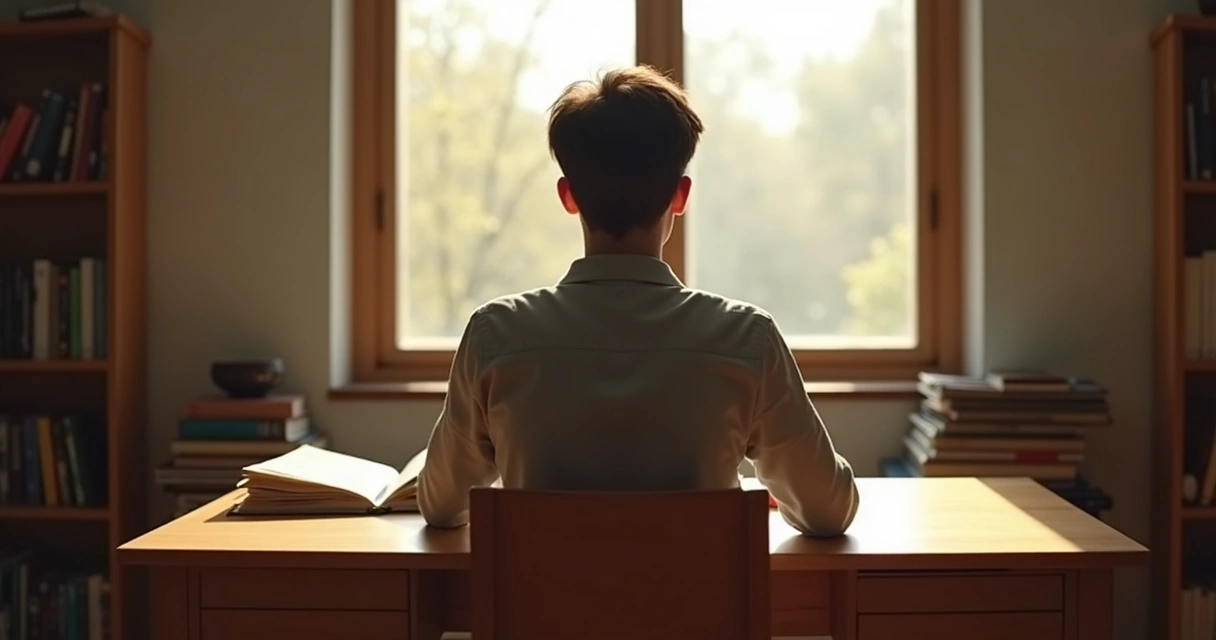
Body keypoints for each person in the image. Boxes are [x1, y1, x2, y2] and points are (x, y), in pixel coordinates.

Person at [416, 64, 859, 537]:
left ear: (568, 196)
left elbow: (440, 506)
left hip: (544, 589)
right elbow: (828, 512)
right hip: (693, 589)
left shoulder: (497, 335)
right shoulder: (745, 339)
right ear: (680, 196)